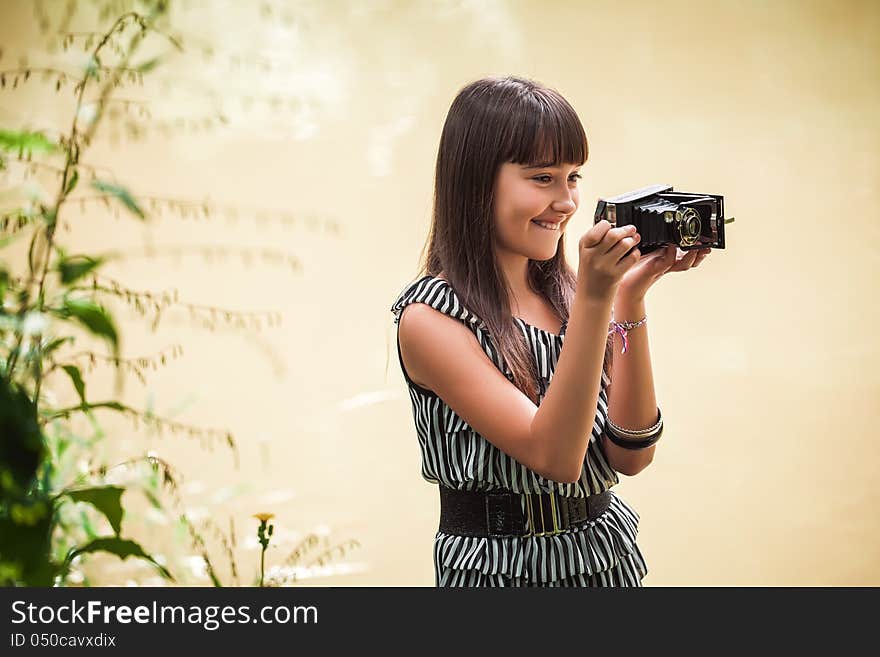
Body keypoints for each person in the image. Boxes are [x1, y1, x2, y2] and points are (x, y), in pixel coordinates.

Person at [389, 75, 711, 587]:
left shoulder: (572, 295)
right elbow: (555, 459)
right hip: (499, 571)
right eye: (542, 178)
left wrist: (627, 299)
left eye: (574, 177)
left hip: (603, 557)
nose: (567, 203)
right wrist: (595, 301)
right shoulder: (431, 319)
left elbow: (631, 455)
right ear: (475, 182)